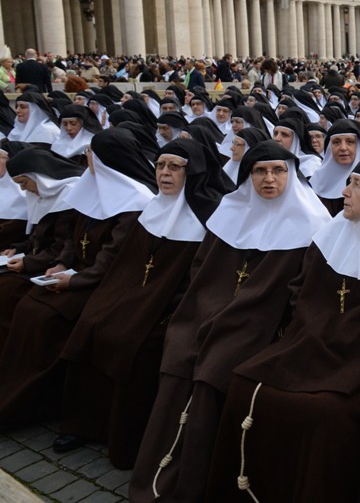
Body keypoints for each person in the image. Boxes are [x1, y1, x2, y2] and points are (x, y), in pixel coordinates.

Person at [206, 160, 360, 502]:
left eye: (356, 185)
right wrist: (314, 331)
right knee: (243, 384)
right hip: (307, 341)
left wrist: (334, 336)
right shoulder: (331, 232)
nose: (344, 192)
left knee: (325, 414)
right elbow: (300, 290)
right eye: (348, 183)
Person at [130, 142, 330, 502]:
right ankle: (157, 472)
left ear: (292, 174)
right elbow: (201, 269)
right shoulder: (229, 212)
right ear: (247, 176)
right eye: (259, 171)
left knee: (213, 372)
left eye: (278, 170)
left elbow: (305, 292)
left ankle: (193, 483)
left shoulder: (313, 222)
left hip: (262, 325)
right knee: (178, 356)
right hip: (207, 311)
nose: (269, 179)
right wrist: (206, 308)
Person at [57, 139, 232, 466]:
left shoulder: (209, 218)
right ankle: (84, 423)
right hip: (135, 296)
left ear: (191, 172)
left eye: (174, 167)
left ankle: (126, 438)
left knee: (134, 344)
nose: (165, 174)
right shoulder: (153, 207)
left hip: (172, 307)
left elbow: (201, 281)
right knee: (92, 322)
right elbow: (127, 266)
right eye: (161, 166)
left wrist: (157, 308)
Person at [0, 128, 156, 428]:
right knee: (29, 306)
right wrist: (61, 264)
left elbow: (111, 259)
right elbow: (73, 237)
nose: (87, 160)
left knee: (45, 317)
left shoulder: (136, 201)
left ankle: (37, 399)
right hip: (77, 274)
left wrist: (74, 281)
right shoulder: (90, 187)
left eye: (91, 154)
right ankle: (19, 391)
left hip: (104, 282)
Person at [0, 146, 81, 349]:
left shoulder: (68, 196)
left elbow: (61, 246)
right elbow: (36, 235)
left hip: (51, 265)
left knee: (7, 290)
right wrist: (16, 248)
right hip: (38, 260)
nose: (23, 189)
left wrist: (27, 262)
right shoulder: (41, 194)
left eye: (24, 182)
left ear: (39, 176)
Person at [309, 120, 360, 215]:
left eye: (350, 142)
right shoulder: (317, 180)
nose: (343, 148)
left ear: (358, 146)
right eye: (336, 142)